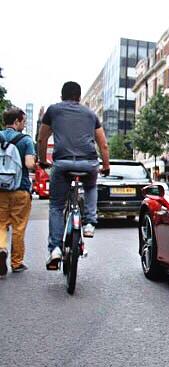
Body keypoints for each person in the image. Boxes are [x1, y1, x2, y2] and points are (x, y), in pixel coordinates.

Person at [37, 81, 110, 270]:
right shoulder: (90, 114)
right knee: (91, 186)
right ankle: (89, 224)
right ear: (79, 97)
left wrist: (42, 160)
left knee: (56, 206)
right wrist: (106, 166)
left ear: (62, 96)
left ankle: (55, 249)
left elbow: (42, 138)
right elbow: (103, 144)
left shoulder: (53, 110)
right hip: (88, 163)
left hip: (62, 163)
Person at [0, 108, 36, 277]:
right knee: (18, 227)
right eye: (22, 121)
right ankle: (16, 263)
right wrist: (37, 164)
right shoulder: (26, 140)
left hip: (0, 190)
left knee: (0, 224)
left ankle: (1, 249)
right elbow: (29, 164)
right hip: (20, 189)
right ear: (16, 122)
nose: (23, 124)